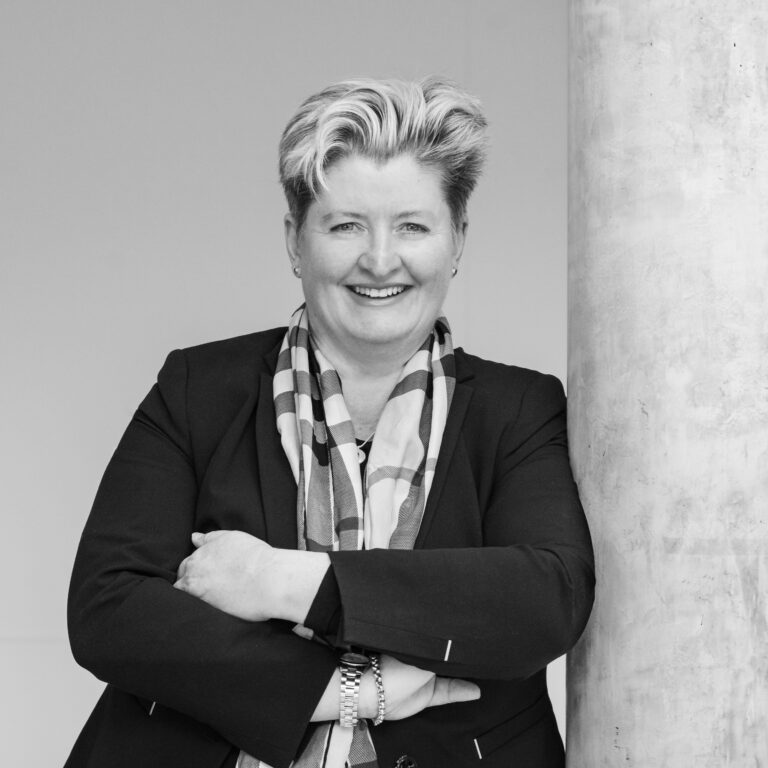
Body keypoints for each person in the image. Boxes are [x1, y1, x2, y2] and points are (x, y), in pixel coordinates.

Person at [66, 76, 594, 768]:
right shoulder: (199, 389)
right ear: (295, 242)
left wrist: (283, 582)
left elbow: (542, 599)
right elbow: (110, 610)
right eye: (345, 226)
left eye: (413, 225)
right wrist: (352, 690)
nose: (379, 260)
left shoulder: (519, 409)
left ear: (458, 241)